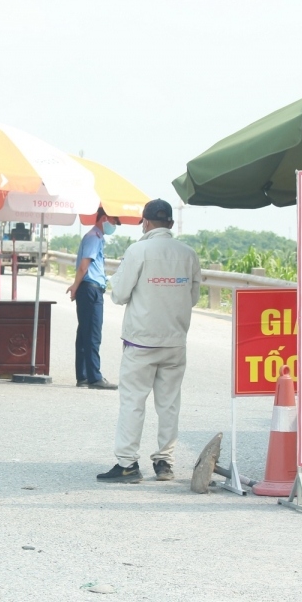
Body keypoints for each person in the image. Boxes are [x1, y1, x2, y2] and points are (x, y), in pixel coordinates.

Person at [97, 199, 201, 484]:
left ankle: (128, 464)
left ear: (145, 222)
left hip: (141, 342)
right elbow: (193, 297)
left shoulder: (138, 251)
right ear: (170, 223)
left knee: (133, 401)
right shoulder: (188, 254)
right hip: (175, 342)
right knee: (169, 404)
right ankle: (165, 462)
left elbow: (118, 295)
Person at [66, 207, 117, 389]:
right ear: (104, 218)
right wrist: (75, 285)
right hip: (90, 289)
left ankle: (84, 375)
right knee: (92, 333)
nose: (115, 225)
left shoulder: (96, 238)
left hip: (89, 288)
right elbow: (83, 266)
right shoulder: (93, 237)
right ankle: (94, 377)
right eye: (113, 221)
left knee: (85, 333)